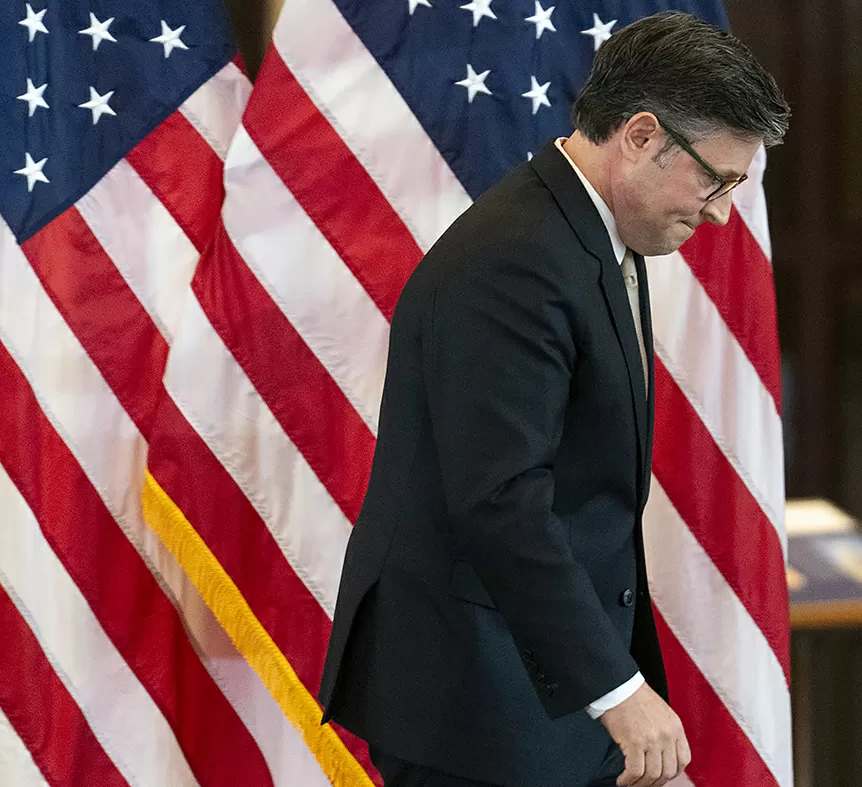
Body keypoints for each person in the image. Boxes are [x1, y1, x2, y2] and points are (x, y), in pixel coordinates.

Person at [316, 11, 790, 787]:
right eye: (715, 179)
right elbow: (501, 500)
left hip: (532, 688)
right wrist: (616, 688)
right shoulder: (518, 261)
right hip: (474, 704)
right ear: (641, 135)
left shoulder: (589, 235)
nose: (719, 212)